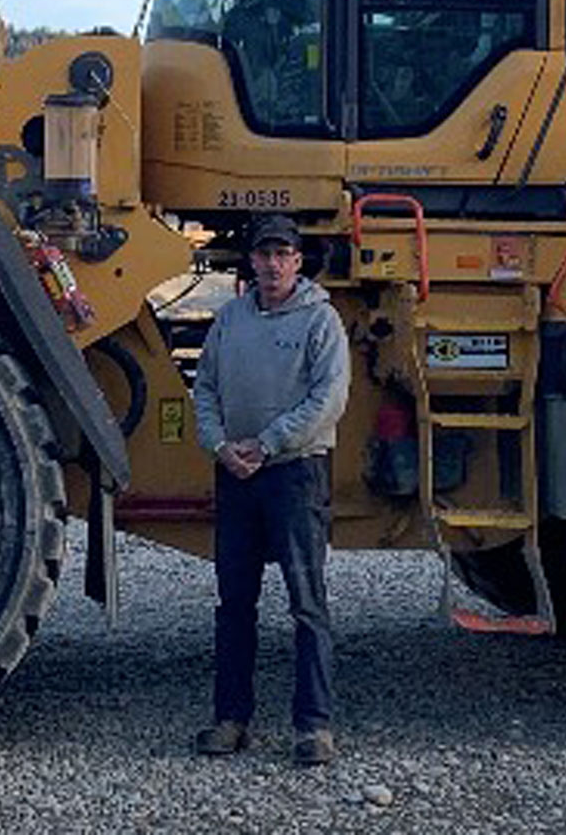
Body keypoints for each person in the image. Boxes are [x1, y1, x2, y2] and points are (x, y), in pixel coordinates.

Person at [190, 214, 350, 766]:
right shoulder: (230, 319)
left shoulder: (321, 320)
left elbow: (328, 398)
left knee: (307, 603)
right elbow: (204, 388)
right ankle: (231, 719)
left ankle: (314, 727)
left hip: (295, 473)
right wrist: (218, 445)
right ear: (252, 261)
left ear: (298, 262)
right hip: (236, 474)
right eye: (264, 254)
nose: (273, 264)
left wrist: (267, 443)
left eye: (283, 254)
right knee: (235, 604)